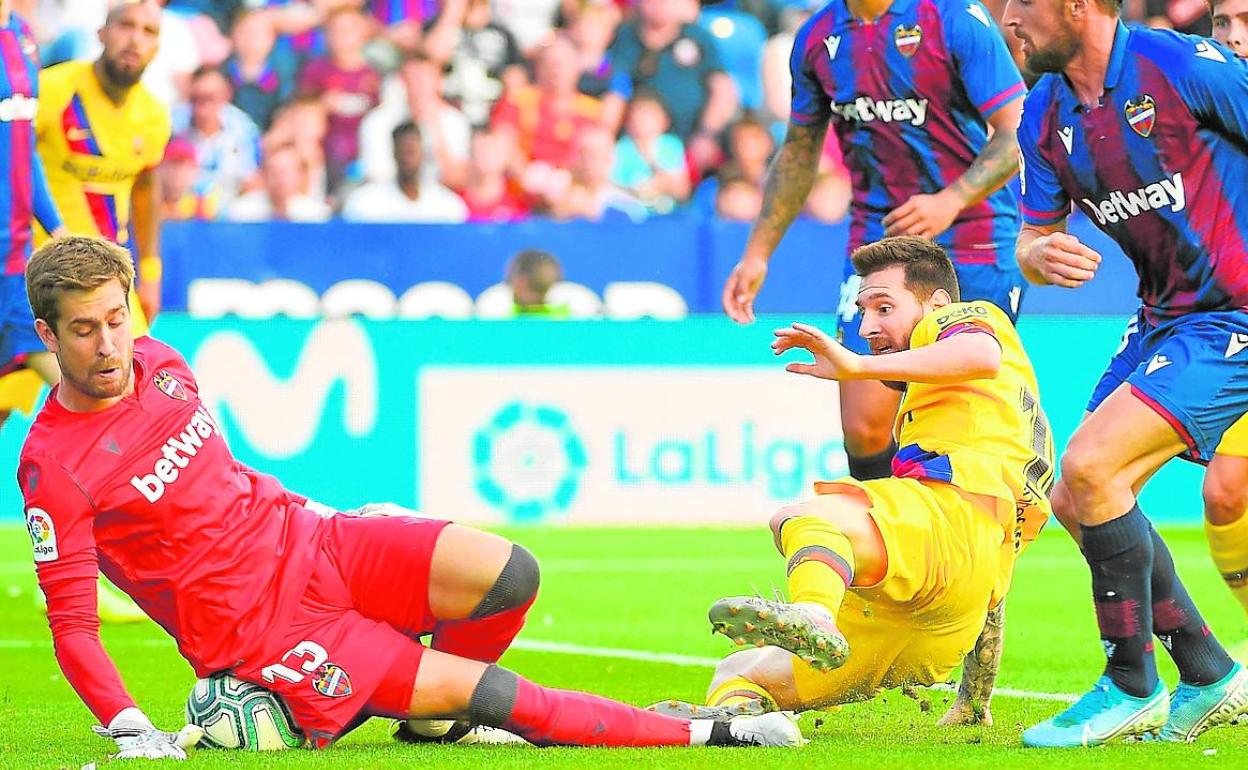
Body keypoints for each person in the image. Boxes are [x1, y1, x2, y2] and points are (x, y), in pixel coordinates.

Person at [19, 235, 804, 760]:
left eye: (117, 320)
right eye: (85, 330)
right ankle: (715, 735)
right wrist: (128, 726)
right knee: (502, 697)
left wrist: (333, 518)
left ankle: (428, 719)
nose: (109, 344)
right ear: (47, 337)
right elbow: (73, 625)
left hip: (317, 541)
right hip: (265, 627)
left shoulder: (161, 361)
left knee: (510, 576)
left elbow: (222, 485)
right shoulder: (54, 465)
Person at [718, 0, 1028, 722]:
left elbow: (1016, 136)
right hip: (876, 252)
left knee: (966, 436)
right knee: (864, 430)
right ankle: (877, 582)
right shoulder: (822, 37)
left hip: (970, 244)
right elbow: (800, 150)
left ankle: (974, 670)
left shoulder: (956, 21)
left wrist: (952, 198)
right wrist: (759, 250)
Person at [654, 237, 1052, 731]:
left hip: (945, 528)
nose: (868, 327)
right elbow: (988, 576)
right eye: (863, 310)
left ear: (936, 304)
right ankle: (743, 726)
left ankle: (815, 616)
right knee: (739, 671)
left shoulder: (969, 317)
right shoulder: (977, 417)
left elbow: (979, 353)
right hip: (945, 622)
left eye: (884, 306)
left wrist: (857, 366)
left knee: (805, 516)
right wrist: (974, 700)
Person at [1002, 0, 1248, 746]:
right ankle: (1206, 671)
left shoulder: (1181, 67)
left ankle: (1130, 682)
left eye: (1023, 4)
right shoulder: (1044, 111)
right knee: (1076, 496)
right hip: (1163, 319)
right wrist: (1035, 255)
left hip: (1235, 314)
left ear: (1077, 7)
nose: (1010, 19)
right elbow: (1033, 236)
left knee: (1092, 463)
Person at [0, 0, 67, 432]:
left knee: (79, 385)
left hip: (17, 258)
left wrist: (56, 226)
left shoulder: (22, 33)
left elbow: (25, 145)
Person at [1205, 0, 1248, 664]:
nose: (1236, 39)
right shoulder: (1203, 90)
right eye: (1223, 24)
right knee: (1225, 490)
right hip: (1222, 319)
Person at [341, 121, 467, 223]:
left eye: (412, 151)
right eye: (403, 151)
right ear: (394, 152)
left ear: (423, 153)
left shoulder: (447, 206)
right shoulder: (367, 203)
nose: (407, 159)